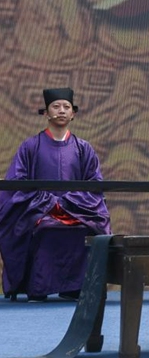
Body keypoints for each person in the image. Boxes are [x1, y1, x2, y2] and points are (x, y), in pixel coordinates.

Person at [0, 87, 111, 302]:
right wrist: (48, 204)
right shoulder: (30, 146)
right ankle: (38, 289)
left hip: (76, 212)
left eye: (66, 107)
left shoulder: (83, 148)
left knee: (84, 229)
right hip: (38, 211)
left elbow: (95, 184)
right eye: (56, 106)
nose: (61, 111)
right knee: (46, 228)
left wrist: (66, 205)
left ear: (73, 114)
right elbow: (17, 183)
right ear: (46, 113)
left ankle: (75, 288)